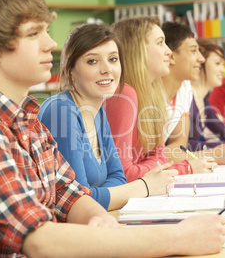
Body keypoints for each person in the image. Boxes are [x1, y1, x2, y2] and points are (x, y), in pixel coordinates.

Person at [0, 0, 225, 256]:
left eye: (46, 31)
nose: (50, 43)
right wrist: (179, 237)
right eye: (34, 34)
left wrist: (100, 220)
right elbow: (38, 239)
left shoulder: (25, 116)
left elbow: (68, 193)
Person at [38, 23, 177, 211]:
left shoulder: (98, 110)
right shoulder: (62, 110)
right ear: (70, 71)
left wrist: (99, 194)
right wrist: (143, 186)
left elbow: (118, 177)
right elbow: (78, 201)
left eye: (113, 59)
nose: (107, 69)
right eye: (92, 61)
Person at [105, 16, 213, 179]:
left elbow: (159, 156)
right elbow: (124, 174)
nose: (168, 51)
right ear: (138, 50)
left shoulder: (152, 94)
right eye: (160, 42)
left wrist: (154, 165)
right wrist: (185, 168)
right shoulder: (124, 94)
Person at [161, 21, 225, 164]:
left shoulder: (184, 88)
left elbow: (176, 147)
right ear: (171, 56)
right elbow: (165, 152)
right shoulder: (157, 94)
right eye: (193, 51)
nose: (201, 59)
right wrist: (214, 151)